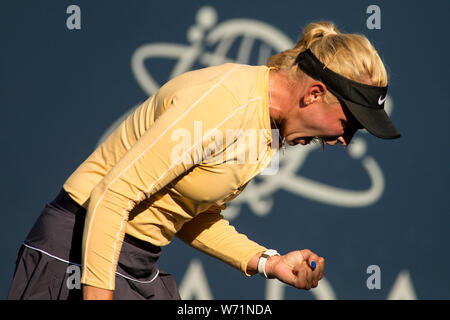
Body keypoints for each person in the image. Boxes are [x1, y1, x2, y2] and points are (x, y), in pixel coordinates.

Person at [8, 21, 400, 300]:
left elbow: (191, 213)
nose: (343, 141)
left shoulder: (270, 131)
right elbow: (113, 196)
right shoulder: (225, 103)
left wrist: (269, 262)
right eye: (348, 124)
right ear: (314, 94)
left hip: (132, 260)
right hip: (79, 251)